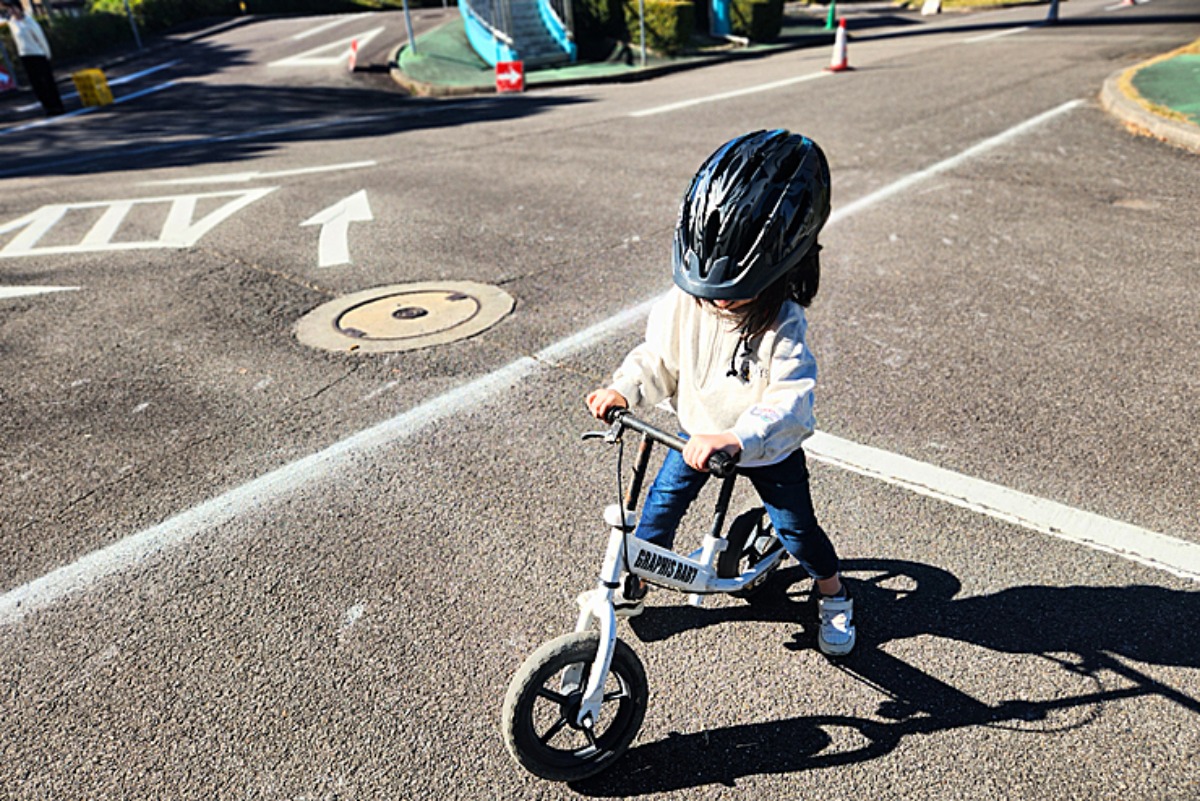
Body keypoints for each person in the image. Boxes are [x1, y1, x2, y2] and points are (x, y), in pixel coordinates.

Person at [586, 129, 856, 656]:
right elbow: (658, 358)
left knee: (798, 531)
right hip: (696, 434)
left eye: (736, 292)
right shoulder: (686, 300)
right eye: (710, 290)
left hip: (764, 448)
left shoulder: (782, 323)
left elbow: (791, 402)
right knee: (658, 510)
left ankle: (834, 593)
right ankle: (640, 576)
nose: (718, 302)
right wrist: (623, 390)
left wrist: (737, 438)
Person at [1, 0, 64, 116]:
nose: (12, 11)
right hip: (25, 56)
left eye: (13, 8)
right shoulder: (12, 23)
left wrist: (47, 54)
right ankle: (47, 106)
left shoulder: (29, 21)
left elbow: (41, 38)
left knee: (47, 81)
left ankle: (57, 105)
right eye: (9, 9)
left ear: (19, 8)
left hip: (38, 54)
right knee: (36, 83)